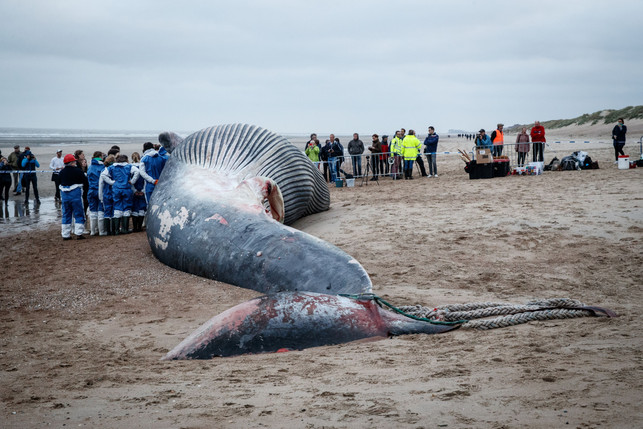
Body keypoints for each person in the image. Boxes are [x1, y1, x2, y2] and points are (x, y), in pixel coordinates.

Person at [101, 154, 139, 234]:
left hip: (116, 189)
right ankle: (125, 229)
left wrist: (111, 182)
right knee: (126, 207)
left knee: (117, 207)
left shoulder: (112, 167)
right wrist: (132, 181)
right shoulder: (129, 166)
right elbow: (137, 172)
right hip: (126, 189)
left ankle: (116, 230)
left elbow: (103, 175)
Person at [59, 154, 87, 240]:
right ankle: (78, 233)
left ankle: (65, 234)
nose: (75, 162)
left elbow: (59, 182)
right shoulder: (78, 171)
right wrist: (85, 195)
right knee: (78, 214)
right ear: (72, 162)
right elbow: (85, 182)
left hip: (64, 195)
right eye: (74, 161)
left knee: (66, 214)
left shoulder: (62, 172)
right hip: (76, 194)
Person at [87, 151, 107, 236]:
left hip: (91, 190)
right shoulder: (102, 167)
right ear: (100, 157)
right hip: (99, 190)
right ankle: (101, 231)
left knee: (93, 211)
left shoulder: (90, 167)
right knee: (101, 210)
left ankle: (92, 231)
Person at [99, 155, 116, 235]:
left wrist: (100, 197)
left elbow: (100, 184)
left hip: (106, 193)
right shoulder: (115, 169)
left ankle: (108, 231)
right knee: (113, 211)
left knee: (107, 212)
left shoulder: (104, 170)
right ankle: (113, 230)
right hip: (113, 193)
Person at [130, 152, 147, 232]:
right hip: (142, 189)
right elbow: (145, 179)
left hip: (134, 190)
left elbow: (129, 181)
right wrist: (143, 190)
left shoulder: (130, 167)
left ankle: (135, 227)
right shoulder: (143, 167)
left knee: (134, 208)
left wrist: (134, 191)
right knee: (141, 208)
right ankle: (139, 227)